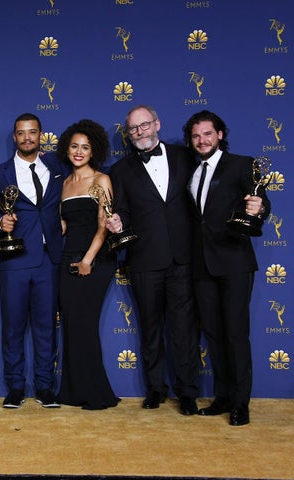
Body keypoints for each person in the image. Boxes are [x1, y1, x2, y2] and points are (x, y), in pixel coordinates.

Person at [105, 105, 200, 415]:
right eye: (133, 129)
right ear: (128, 134)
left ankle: (187, 391)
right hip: (144, 259)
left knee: (184, 328)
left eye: (144, 125)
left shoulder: (186, 156)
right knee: (150, 327)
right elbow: (124, 211)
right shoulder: (120, 170)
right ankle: (156, 389)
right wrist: (118, 223)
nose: (140, 132)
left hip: (184, 258)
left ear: (157, 123)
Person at [183, 110, 270, 426]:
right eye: (195, 136)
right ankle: (222, 397)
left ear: (220, 134)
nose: (201, 140)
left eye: (207, 133)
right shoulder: (193, 173)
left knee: (235, 334)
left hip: (234, 262)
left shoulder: (241, 165)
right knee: (214, 335)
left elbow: (259, 199)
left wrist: (258, 208)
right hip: (202, 265)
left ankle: (241, 404)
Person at [0, 113, 64, 409]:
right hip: (14, 259)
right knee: (13, 327)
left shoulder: (57, 167)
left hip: (48, 259)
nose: (27, 137)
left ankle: (45, 387)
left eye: (33, 132)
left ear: (41, 135)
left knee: (46, 327)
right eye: (21, 133)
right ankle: (15, 387)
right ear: (15, 137)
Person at [56, 119, 120, 410]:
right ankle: (71, 391)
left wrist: (87, 260)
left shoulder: (100, 180)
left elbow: (103, 226)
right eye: (74, 146)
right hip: (68, 258)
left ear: (94, 151)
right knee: (71, 324)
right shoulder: (65, 183)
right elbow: (64, 225)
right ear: (66, 148)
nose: (79, 152)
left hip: (94, 259)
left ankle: (96, 394)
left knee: (85, 323)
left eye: (85, 147)